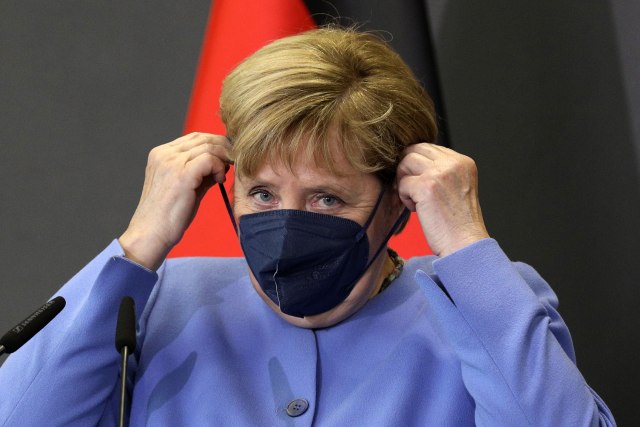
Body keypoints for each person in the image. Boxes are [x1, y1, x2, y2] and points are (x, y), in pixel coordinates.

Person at [0, 27, 615, 426]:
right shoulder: (156, 299)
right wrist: (138, 246)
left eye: (326, 198)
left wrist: (465, 246)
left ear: (398, 202)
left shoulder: (482, 303)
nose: (287, 223)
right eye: (262, 193)